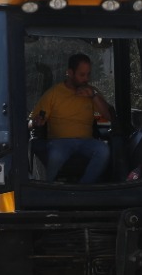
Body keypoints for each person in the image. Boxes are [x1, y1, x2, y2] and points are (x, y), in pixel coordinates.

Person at [30, 53, 111, 183]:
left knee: (103, 150)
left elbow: (109, 116)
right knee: (56, 155)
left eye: (88, 74)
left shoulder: (92, 92)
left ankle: (84, 187)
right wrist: (35, 122)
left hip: (86, 141)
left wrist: (94, 96)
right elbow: (33, 121)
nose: (86, 79)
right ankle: (47, 186)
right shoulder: (54, 93)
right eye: (82, 75)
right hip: (60, 142)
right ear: (70, 73)